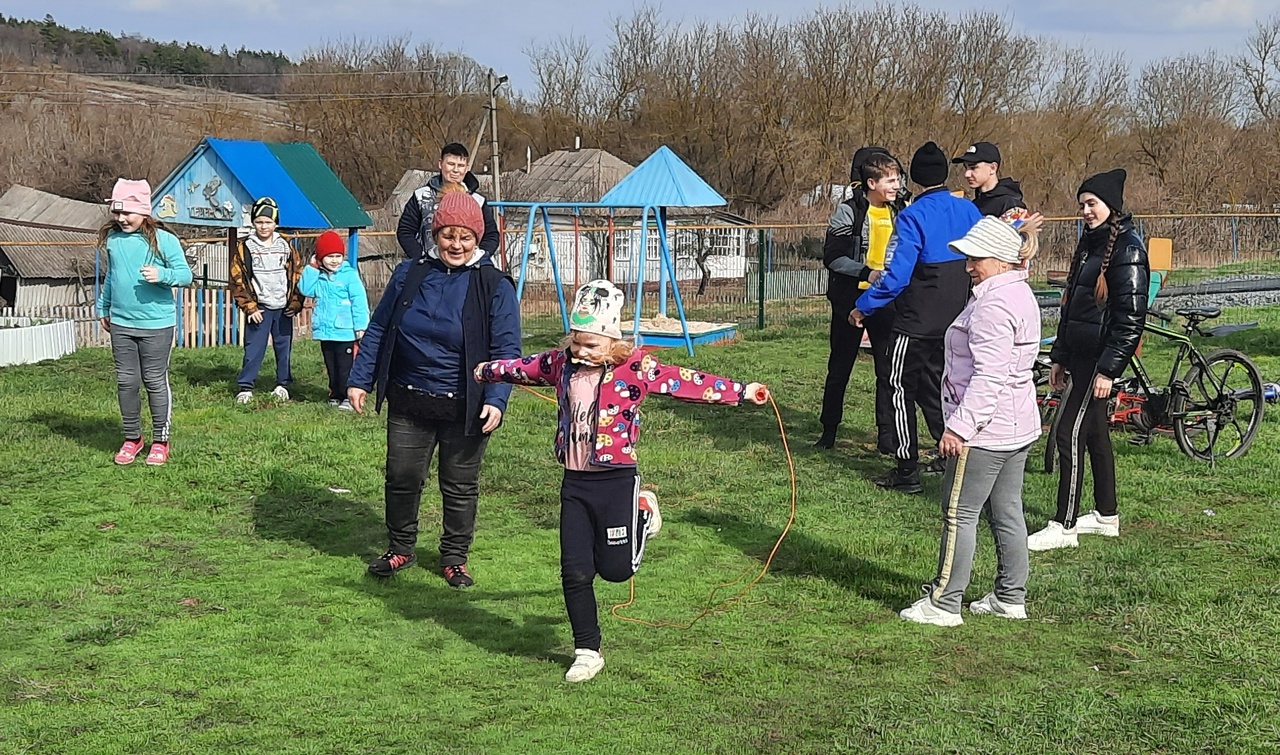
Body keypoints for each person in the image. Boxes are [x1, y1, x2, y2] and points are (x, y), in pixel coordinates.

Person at [475, 279, 770, 683]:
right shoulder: (561, 364)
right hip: (575, 483)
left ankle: (643, 514)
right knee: (574, 570)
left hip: (615, 481)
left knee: (617, 571)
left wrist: (741, 391)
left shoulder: (635, 368)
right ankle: (587, 650)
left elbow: (685, 381)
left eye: (591, 345)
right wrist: (486, 370)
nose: (581, 352)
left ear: (612, 342)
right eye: (576, 343)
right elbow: (521, 367)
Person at [349, 187, 522, 587]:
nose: (455, 244)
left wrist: (497, 399)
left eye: (465, 237)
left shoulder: (494, 285)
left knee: (460, 485)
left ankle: (455, 558)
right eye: (448, 235)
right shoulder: (410, 273)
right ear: (435, 233)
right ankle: (400, 548)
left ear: (477, 239)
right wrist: (360, 379)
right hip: (409, 397)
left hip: (466, 405)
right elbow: (379, 327)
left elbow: (507, 350)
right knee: (402, 476)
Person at [898, 215, 1043, 626]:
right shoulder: (1018, 291)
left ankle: (944, 603)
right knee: (1008, 510)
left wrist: (960, 427)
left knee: (959, 514)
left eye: (974, 258)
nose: (967, 266)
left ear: (998, 259)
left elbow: (989, 376)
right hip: (1018, 427)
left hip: (985, 432)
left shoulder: (993, 306)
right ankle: (1010, 596)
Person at [851, 142, 981, 494]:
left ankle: (906, 469)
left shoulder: (912, 216)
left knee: (897, 387)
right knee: (939, 388)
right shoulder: (968, 211)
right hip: (955, 318)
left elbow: (896, 276)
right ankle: (950, 453)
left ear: (916, 178)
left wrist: (864, 305)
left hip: (916, 320)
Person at [1029, 169, 1149, 551]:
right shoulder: (1088, 245)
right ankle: (1106, 515)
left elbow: (1130, 319)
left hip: (1098, 361)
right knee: (1096, 433)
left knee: (1068, 434)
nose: (1085, 211)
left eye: (1092, 204)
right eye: (1082, 204)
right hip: (1077, 354)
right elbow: (1071, 308)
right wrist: (1059, 357)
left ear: (1111, 206)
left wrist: (1109, 370)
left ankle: (1063, 525)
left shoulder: (1128, 248)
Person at [96, 178, 193, 466]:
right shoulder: (114, 241)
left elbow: (185, 275)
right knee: (126, 381)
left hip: (156, 325)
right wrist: (104, 307)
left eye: (128, 213)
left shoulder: (165, 240)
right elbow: (113, 277)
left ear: (144, 212)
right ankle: (132, 438)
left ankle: (160, 440)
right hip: (122, 322)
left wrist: (163, 276)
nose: (121, 218)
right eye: (117, 212)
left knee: (153, 380)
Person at [817, 148, 908, 451]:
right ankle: (829, 429)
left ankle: (886, 435)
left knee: (887, 370)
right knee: (840, 367)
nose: (896, 187)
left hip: (888, 300)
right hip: (851, 300)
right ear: (871, 183)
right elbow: (832, 256)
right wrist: (865, 272)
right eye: (890, 181)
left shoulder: (901, 210)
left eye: (898, 181)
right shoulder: (849, 212)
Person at [229, 197, 305, 404]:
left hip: (283, 308)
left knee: (283, 347)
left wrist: (295, 303)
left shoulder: (287, 247)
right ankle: (246, 386)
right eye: (259, 222)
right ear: (253, 223)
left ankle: (283, 384)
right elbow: (238, 280)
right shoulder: (245, 248)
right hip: (259, 308)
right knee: (254, 348)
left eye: (268, 222)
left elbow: (297, 275)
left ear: (276, 223)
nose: (264, 226)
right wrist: (250, 307)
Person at [299, 230, 370, 411]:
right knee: (331, 365)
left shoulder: (349, 275)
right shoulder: (319, 276)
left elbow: (359, 301)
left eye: (338, 256)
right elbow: (306, 289)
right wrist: (312, 268)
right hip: (326, 331)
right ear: (320, 258)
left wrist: (361, 326)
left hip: (345, 330)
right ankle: (335, 393)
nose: (334, 260)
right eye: (329, 256)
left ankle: (347, 395)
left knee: (345, 366)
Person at [396, 142, 500, 259]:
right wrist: (421, 258)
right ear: (440, 164)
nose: (455, 170)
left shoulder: (478, 201)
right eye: (451, 164)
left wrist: (478, 258)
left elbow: (491, 236)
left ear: (467, 168)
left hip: (468, 270)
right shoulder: (421, 196)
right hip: (431, 269)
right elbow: (405, 231)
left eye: (460, 165)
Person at [952, 141, 1025, 217]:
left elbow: (1021, 228)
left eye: (973, 167)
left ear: (993, 168)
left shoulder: (1010, 206)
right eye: (966, 168)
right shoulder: (974, 205)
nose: (967, 174)